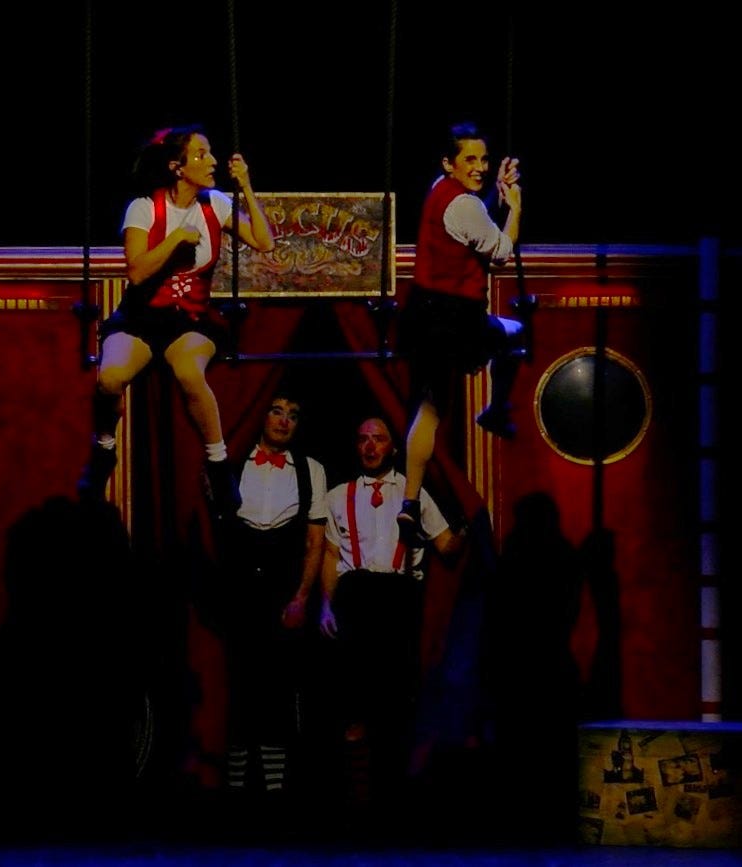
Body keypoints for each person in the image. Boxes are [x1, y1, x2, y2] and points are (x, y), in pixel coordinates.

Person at [76, 124, 275, 519]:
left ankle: (218, 463)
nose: (213, 161)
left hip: (191, 319)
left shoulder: (215, 204)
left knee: (188, 372)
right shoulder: (144, 208)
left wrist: (246, 187)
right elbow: (136, 272)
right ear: (176, 167)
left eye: (210, 152)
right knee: (109, 379)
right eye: (201, 154)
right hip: (141, 316)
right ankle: (104, 448)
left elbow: (264, 242)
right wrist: (175, 239)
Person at [317, 416, 461, 812]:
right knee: (354, 701)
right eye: (363, 439)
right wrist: (327, 605)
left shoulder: (414, 493)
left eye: (378, 439)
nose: (369, 446)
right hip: (355, 597)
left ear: (393, 448)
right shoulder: (338, 495)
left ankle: (393, 800)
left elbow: (447, 546)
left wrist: (471, 518)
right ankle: (358, 801)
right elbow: (330, 554)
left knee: (395, 702)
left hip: (398, 599)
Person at [395, 121, 523, 546]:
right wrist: (514, 207)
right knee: (515, 335)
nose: (480, 167)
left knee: (430, 409)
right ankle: (496, 409)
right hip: (457, 319)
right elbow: (501, 251)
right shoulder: (465, 206)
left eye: (484, 159)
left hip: (423, 315)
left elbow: (473, 218)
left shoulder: (440, 189)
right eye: (470, 159)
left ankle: (410, 500)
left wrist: (496, 193)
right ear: (449, 163)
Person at [214, 389, 328, 807]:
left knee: (277, 689)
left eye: (292, 415)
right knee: (239, 686)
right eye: (277, 411)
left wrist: (301, 598)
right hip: (238, 589)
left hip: (283, 589)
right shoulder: (231, 463)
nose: (283, 420)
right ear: (262, 416)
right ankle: (236, 791)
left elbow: (315, 542)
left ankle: (276, 795)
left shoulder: (310, 470)